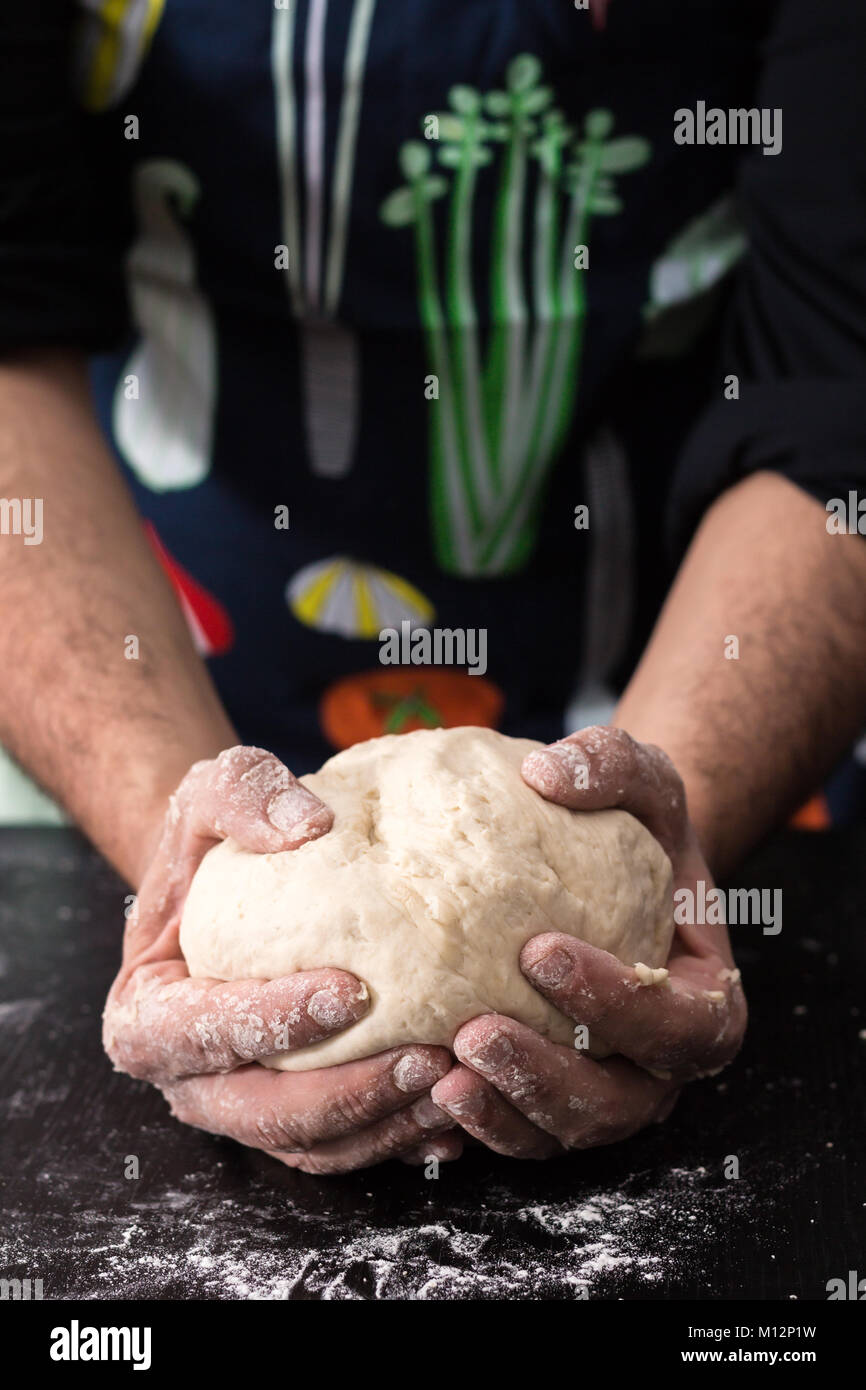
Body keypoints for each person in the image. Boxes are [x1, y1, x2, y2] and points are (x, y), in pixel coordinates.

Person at [1, 0, 865, 1174]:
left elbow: (841, 390)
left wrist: (659, 855)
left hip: (701, 655)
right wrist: (172, 840)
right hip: (159, 639)